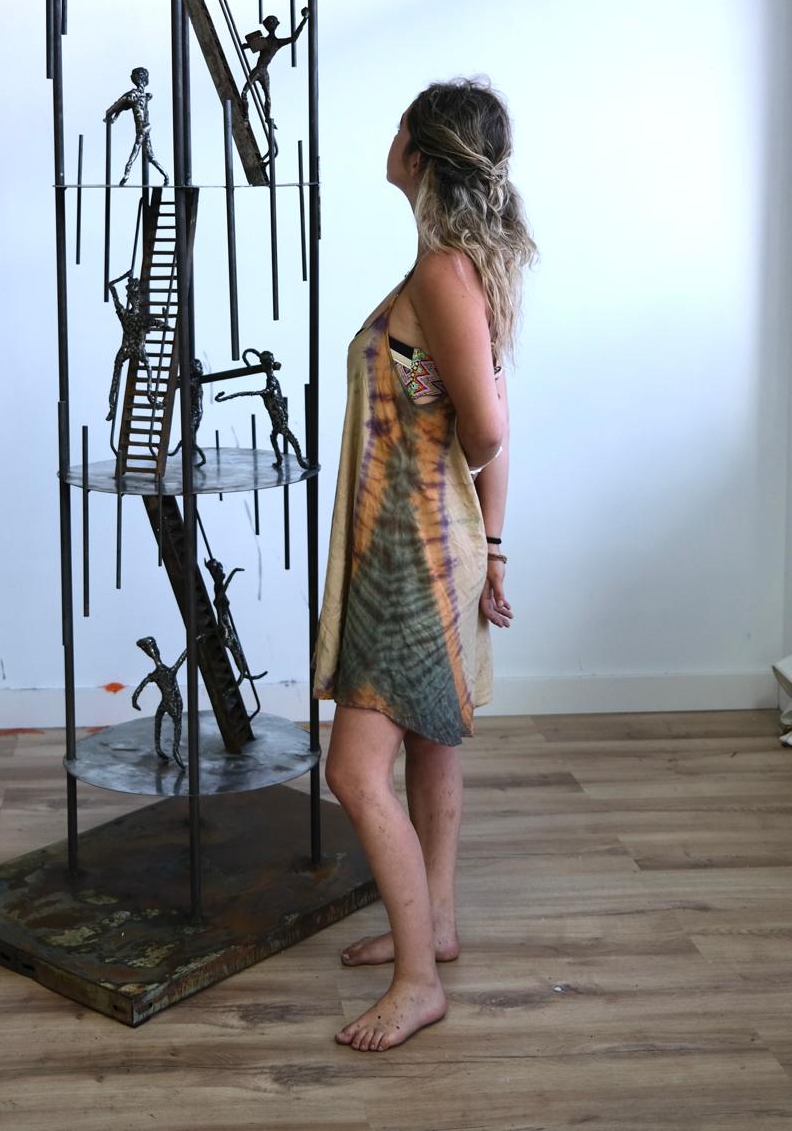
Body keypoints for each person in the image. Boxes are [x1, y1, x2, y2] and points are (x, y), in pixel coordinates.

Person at [311, 76, 538, 1052]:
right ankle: (433, 925)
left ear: (420, 150)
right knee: (432, 741)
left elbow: (487, 427)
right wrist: (493, 542)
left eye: (401, 121)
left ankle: (417, 982)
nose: (391, 131)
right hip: (421, 547)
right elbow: (486, 419)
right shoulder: (451, 269)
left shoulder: (445, 275)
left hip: (413, 560)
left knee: (353, 771)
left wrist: (473, 536)